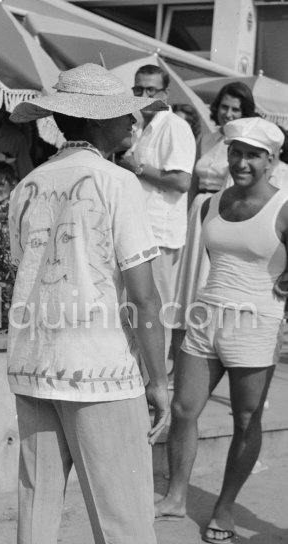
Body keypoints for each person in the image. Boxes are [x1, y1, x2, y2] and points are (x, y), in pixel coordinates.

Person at [7, 63, 214, 544]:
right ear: (106, 121)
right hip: (98, 366)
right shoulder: (115, 182)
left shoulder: (29, 186)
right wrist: (158, 379)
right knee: (123, 508)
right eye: (128, 113)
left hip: (32, 359)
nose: (134, 121)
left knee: (38, 500)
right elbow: (145, 298)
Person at [154, 118, 288, 544]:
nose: (242, 162)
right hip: (206, 316)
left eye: (252, 155)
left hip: (256, 324)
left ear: (271, 160)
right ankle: (175, 497)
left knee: (246, 420)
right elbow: (211, 258)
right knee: (182, 410)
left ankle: (225, 508)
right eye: (235, 152)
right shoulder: (209, 203)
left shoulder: (284, 206)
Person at [169, 83, 256, 375]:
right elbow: (192, 185)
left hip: (224, 213)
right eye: (225, 106)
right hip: (197, 213)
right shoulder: (206, 138)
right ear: (217, 107)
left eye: (236, 109)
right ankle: (181, 366)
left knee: (212, 284)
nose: (228, 113)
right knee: (188, 289)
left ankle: (221, 359)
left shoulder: (247, 143)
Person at [119, 65, 196, 361]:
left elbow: (181, 181)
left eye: (151, 90)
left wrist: (137, 167)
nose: (144, 95)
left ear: (165, 94)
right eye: (138, 89)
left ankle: (155, 385)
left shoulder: (174, 127)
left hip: (160, 235)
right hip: (139, 229)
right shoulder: (138, 127)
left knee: (153, 313)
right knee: (135, 309)